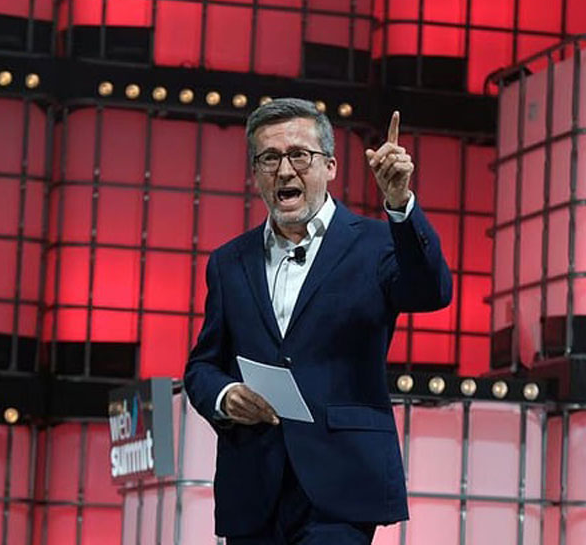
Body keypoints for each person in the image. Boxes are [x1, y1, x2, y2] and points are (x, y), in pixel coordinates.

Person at [183, 98, 452, 544]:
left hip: (341, 486)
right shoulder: (229, 262)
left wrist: (400, 203)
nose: (284, 170)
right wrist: (226, 395)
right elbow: (202, 366)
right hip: (253, 486)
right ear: (255, 175)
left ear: (330, 167)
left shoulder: (377, 243)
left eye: (299, 155)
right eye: (269, 158)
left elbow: (431, 292)